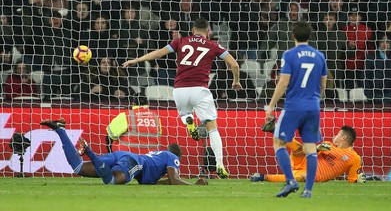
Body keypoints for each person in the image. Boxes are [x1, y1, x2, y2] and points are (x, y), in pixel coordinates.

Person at [123, 17, 242, 179]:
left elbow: (158, 54)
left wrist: (136, 60)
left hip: (179, 89)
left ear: (193, 30)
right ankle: (220, 165)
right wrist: (236, 81)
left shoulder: (180, 41)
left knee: (185, 114)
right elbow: (234, 64)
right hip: (200, 89)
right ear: (207, 32)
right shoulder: (212, 45)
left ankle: (188, 120)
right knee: (212, 128)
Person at [39, 118, 208, 186]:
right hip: (133, 162)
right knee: (111, 182)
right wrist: (195, 185)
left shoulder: (157, 159)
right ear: (177, 157)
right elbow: (174, 179)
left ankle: (60, 130)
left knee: (78, 167)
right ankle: (90, 151)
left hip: (122, 155)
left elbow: (162, 183)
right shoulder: (172, 157)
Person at [265, 21, 327, 198]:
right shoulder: (319, 56)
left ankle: (291, 181)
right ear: (310, 36)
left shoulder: (290, 55)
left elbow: (283, 81)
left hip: (293, 106)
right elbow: (324, 85)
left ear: (293, 36)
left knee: (279, 143)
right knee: (310, 148)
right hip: (313, 107)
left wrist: (271, 105)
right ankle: (307, 191)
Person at [251, 126, 366, 184]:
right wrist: (317, 148)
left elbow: (352, 179)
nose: (335, 136)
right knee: (299, 149)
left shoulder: (354, 158)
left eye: (338, 134)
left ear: (344, 138)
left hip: (312, 174)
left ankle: (262, 177)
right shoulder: (327, 144)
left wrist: (358, 179)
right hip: (303, 162)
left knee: (298, 178)